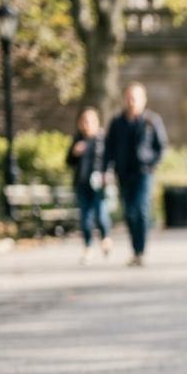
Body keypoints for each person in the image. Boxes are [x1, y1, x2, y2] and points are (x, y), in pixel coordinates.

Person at [104, 82, 166, 267]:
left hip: (144, 172)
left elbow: (161, 146)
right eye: (129, 97)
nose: (132, 102)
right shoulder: (117, 122)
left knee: (141, 208)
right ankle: (135, 249)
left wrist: (152, 163)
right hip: (123, 172)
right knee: (129, 212)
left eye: (135, 98)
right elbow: (109, 148)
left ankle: (141, 249)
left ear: (143, 100)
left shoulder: (151, 121)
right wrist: (107, 169)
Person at [66, 107, 112, 264]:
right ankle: (88, 247)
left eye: (90, 121)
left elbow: (108, 160)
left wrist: (106, 175)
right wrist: (74, 152)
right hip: (82, 183)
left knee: (101, 214)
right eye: (84, 121)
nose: (87, 124)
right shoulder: (78, 140)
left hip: (98, 184)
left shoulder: (101, 140)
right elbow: (68, 162)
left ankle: (106, 237)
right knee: (85, 218)